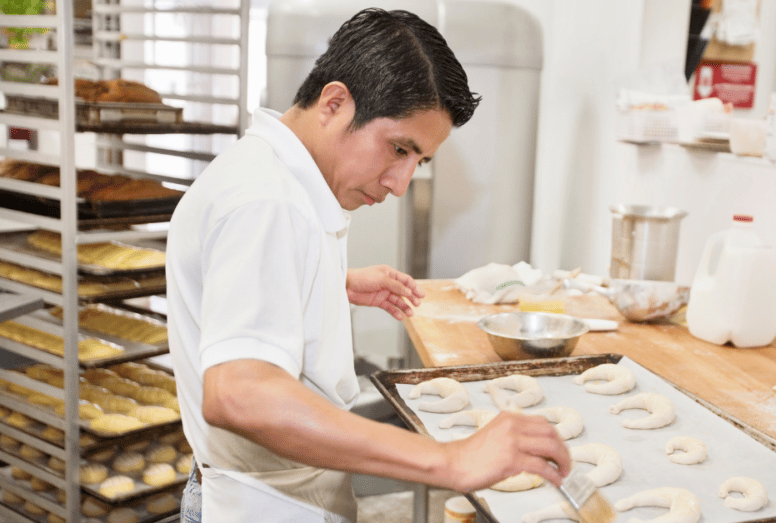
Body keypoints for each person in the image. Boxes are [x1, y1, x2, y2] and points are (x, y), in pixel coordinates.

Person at [165, 7, 571, 523]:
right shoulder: (268, 201)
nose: (400, 183)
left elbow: (226, 284)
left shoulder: (271, 175)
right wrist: (448, 458)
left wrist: (330, 284)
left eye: (418, 162)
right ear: (335, 103)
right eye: (398, 149)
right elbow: (241, 395)